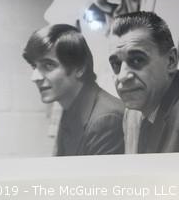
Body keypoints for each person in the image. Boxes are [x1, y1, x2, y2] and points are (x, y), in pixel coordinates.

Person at [23, 24, 124, 156]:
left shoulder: (106, 120)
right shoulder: (69, 106)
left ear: (79, 68)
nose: (35, 77)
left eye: (48, 65)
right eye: (34, 67)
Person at [107, 11, 179, 153]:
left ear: (171, 61)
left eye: (137, 60)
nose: (122, 76)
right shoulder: (131, 114)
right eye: (116, 64)